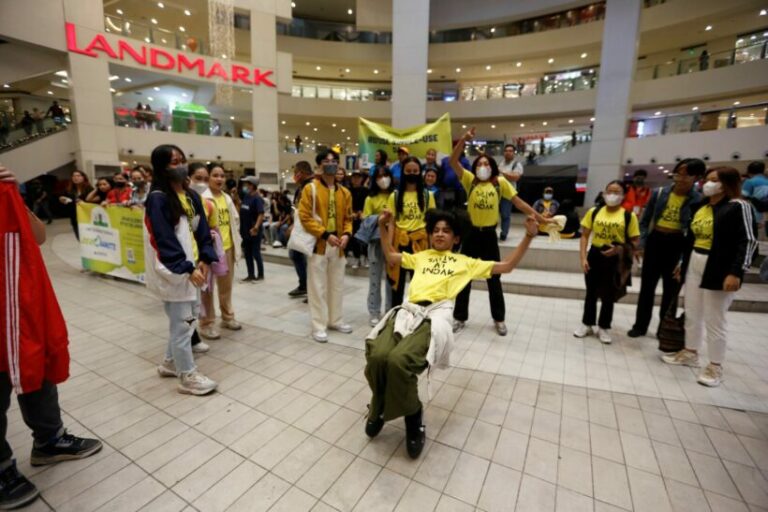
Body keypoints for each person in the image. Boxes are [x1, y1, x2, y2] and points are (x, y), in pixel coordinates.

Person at [365, 208, 538, 458]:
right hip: (407, 312)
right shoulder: (421, 256)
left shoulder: (465, 262)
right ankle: (379, 407)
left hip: (434, 317)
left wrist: (529, 237)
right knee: (377, 356)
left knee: (398, 362)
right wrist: (383, 227)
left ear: (456, 238)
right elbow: (391, 256)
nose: (439, 234)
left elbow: (507, 266)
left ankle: (413, 418)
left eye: (446, 231)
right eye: (435, 230)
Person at [0, 166, 103, 509]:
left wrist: (13, 197)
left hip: (20, 300)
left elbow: (38, 237)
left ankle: (49, 441)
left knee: (39, 366)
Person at [449, 127, 550, 336]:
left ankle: (499, 319)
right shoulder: (470, 180)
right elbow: (453, 161)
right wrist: (463, 141)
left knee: (494, 279)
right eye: (480, 163)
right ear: (475, 167)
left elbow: (519, 203)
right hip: (471, 236)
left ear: (492, 166)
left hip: (488, 236)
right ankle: (459, 317)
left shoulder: (500, 182)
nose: (483, 166)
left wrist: (540, 218)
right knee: (464, 278)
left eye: (487, 163)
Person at [662, 167, 757, 386]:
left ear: (726, 183)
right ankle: (690, 351)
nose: (708, 184)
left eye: (714, 180)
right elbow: (692, 239)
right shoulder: (702, 207)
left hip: (719, 267)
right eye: (707, 180)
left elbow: (748, 241)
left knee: (715, 317)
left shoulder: (739, 207)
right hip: (695, 261)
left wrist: (736, 271)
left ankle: (715, 366)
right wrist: (683, 263)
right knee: (692, 311)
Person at [144, 144, 218, 395]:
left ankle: (169, 363)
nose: (181, 166)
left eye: (182, 160)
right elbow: (162, 239)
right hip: (175, 273)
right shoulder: (158, 199)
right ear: (162, 168)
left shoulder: (191, 196)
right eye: (174, 162)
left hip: (195, 270)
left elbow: (203, 232)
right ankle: (187, 375)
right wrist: (186, 268)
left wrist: (205, 260)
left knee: (189, 319)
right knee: (182, 324)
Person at [628, 158, 705, 338]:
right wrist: (641, 244)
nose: (680, 178)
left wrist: (683, 258)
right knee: (647, 287)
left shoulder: (698, 199)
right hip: (656, 240)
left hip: (678, 243)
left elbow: (694, 231)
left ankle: (664, 327)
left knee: (671, 290)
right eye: (678, 173)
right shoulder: (659, 192)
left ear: (696, 177)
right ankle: (640, 325)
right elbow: (645, 221)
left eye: (686, 175)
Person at [298, 149, 354, 343]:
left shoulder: (345, 192)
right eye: (326, 161)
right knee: (317, 287)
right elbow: (304, 216)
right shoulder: (310, 188)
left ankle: (335, 320)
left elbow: (348, 218)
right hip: (318, 244)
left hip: (338, 245)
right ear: (319, 166)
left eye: (334, 160)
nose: (331, 163)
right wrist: (324, 234)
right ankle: (318, 326)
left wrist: (347, 234)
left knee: (337, 285)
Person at [574, 180, 640, 344]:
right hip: (595, 254)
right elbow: (584, 235)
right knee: (591, 291)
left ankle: (604, 326)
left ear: (623, 195)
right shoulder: (594, 212)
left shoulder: (628, 215)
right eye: (609, 191)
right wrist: (583, 258)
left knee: (608, 294)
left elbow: (635, 240)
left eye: (617, 192)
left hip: (615, 258)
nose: (612, 195)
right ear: (604, 193)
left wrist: (619, 249)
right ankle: (587, 323)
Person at [388, 156, 437, 308]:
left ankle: (419, 317)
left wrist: (432, 250)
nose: (412, 173)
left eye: (415, 171)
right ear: (403, 172)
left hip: (421, 244)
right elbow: (391, 224)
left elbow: (432, 225)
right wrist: (390, 249)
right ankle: (396, 316)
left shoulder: (428, 196)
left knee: (420, 284)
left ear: (420, 172)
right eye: (408, 170)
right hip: (400, 243)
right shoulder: (395, 196)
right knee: (397, 286)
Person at [200, 163, 243, 336]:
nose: (219, 179)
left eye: (222, 176)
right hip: (210, 251)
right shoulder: (203, 198)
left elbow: (234, 221)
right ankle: (206, 323)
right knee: (208, 287)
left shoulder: (227, 198)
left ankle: (227, 317)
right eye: (215, 175)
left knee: (226, 287)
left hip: (227, 248)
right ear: (208, 178)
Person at [362, 166, 395, 325]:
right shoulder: (370, 198)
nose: (384, 179)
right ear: (375, 180)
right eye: (380, 176)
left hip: (392, 242)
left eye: (386, 175)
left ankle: (390, 310)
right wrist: (382, 218)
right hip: (376, 242)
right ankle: (374, 311)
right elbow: (366, 219)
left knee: (391, 279)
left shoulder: (395, 196)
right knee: (374, 278)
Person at [287, 161, 314, 298]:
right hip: (301, 226)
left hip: (309, 227)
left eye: (296, 173)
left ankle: (309, 288)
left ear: (302, 173)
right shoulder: (302, 186)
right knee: (296, 254)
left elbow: (308, 210)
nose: (294, 176)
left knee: (310, 260)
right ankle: (305, 285)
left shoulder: (311, 186)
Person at [239, 176, 265, 283]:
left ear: (253, 185)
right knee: (248, 253)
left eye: (248, 184)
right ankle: (250, 275)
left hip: (254, 230)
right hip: (245, 230)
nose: (246, 186)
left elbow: (261, 214)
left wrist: (256, 227)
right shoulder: (246, 197)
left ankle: (260, 275)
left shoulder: (257, 198)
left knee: (255, 253)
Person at [498, 144, 524, 240]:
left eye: (510, 151)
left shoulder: (517, 164)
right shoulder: (501, 163)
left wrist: (502, 172)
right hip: (497, 191)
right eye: (506, 151)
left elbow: (515, 177)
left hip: (508, 193)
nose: (508, 153)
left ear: (514, 153)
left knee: (505, 214)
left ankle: (504, 233)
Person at [58, 170, 93, 239]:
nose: (75, 178)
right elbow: (65, 202)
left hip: (88, 218)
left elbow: (93, 203)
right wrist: (61, 199)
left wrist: (83, 202)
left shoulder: (90, 189)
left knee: (89, 239)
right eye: (73, 176)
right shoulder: (69, 190)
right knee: (80, 239)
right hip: (75, 219)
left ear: (83, 178)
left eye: (78, 176)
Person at [348, 170, 368, 269]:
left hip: (363, 217)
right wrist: (352, 213)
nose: (356, 179)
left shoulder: (366, 191)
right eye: (354, 177)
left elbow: (367, 204)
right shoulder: (348, 191)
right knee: (354, 238)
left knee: (364, 239)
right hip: (352, 217)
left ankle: (364, 257)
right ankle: (356, 257)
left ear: (361, 179)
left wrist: (362, 212)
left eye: (358, 177)